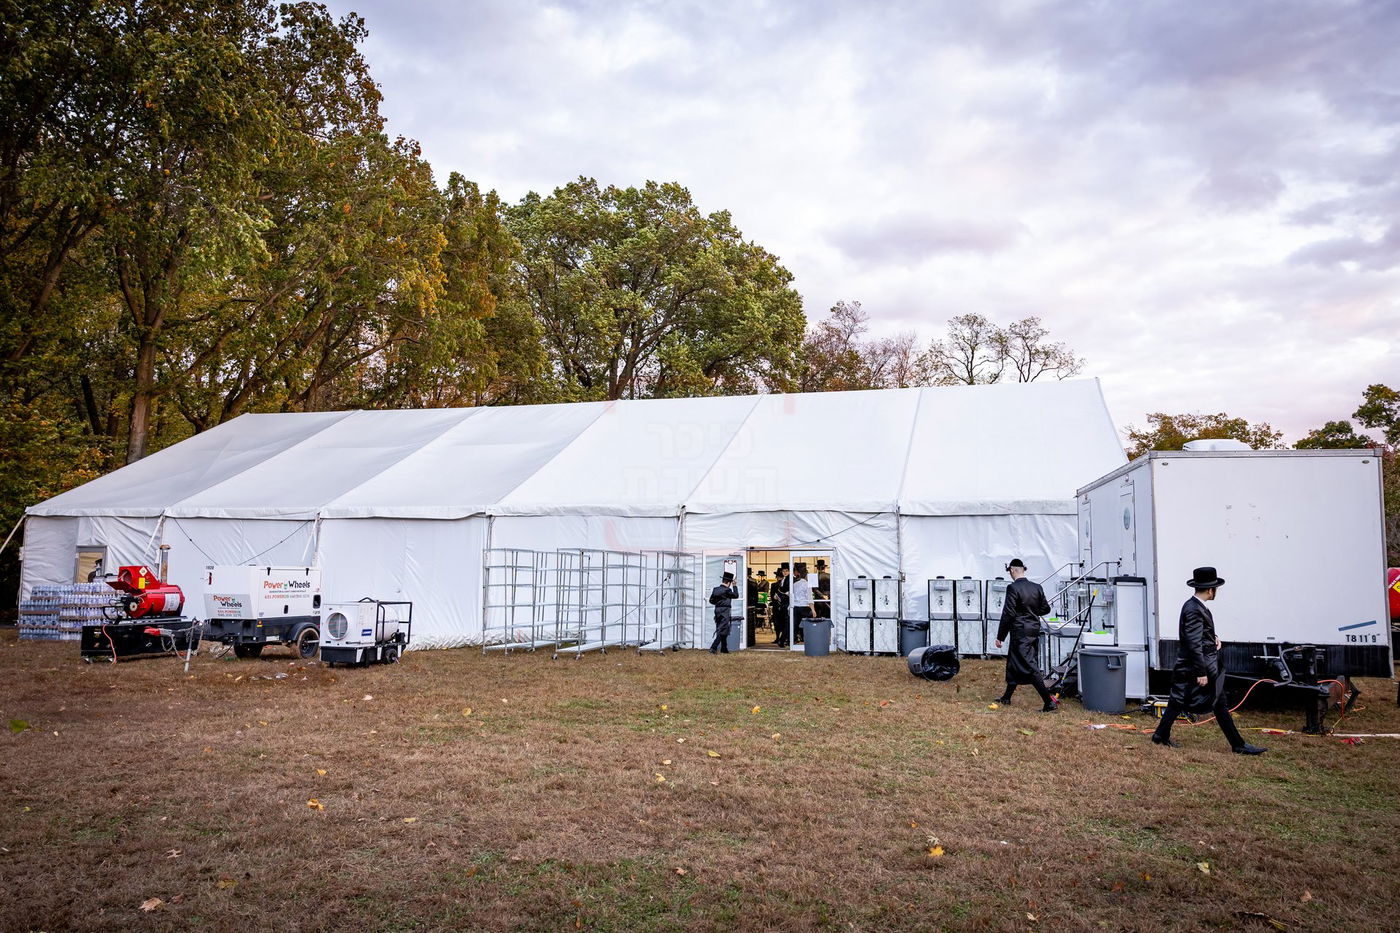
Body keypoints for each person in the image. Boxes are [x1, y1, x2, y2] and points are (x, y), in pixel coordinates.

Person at [1151, 567, 1267, 754]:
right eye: (1216, 589)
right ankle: (1238, 745)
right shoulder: (1194, 609)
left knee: (1179, 700)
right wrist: (1201, 672)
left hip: (1192, 665)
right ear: (1210, 590)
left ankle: (1160, 735)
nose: (1216, 592)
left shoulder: (1194, 606)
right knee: (1218, 703)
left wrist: (1214, 638)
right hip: (1197, 666)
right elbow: (1193, 643)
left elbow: (1198, 636)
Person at [994, 558, 1059, 712]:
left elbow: (1008, 613)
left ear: (1011, 570)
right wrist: (1031, 611)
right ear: (1023, 569)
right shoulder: (1037, 587)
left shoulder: (1013, 588)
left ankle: (1048, 702)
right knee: (1014, 662)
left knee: (1029, 664)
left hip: (1020, 631)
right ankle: (1007, 697)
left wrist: (1000, 637)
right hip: (1033, 628)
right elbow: (1046, 609)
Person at [709, 571, 738, 654]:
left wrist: (718, 604)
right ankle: (713, 647)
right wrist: (735, 586)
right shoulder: (727, 590)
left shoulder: (715, 589)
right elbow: (736, 595)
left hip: (717, 610)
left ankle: (724, 648)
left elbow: (711, 600)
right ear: (729, 583)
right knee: (722, 629)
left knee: (722, 629)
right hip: (725, 611)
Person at [791, 562, 814, 643]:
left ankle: (793, 639)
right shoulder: (807, 584)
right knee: (806, 624)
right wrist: (813, 610)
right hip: (804, 607)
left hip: (795, 606)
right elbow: (809, 598)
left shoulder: (795, 584)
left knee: (795, 624)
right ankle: (805, 638)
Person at [770, 564, 791, 647]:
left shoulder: (788, 580)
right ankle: (780, 638)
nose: (784, 573)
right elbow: (773, 595)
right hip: (778, 605)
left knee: (784, 623)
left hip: (784, 604)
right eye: (783, 571)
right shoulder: (776, 584)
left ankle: (784, 639)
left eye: (786, 571)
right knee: (778, 622)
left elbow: (785, 592)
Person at [745, 567, 760, 646]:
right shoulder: (754, 583)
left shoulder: (743, 583)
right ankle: (751, 641)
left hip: (744, 605)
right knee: (751, 625)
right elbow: (756, 596)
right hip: (751, 605)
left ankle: (745, 641)